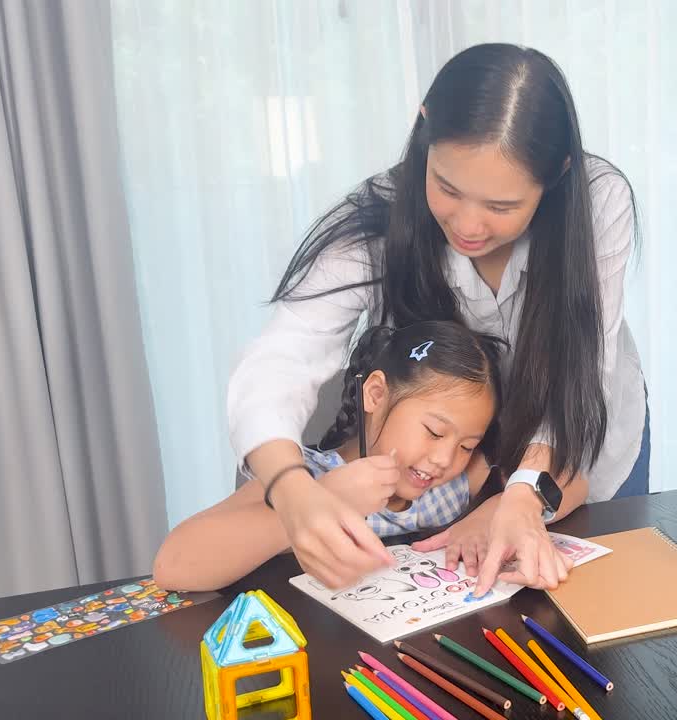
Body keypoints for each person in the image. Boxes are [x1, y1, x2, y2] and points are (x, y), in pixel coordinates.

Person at [227, 44, 647, 592]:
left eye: (501, 207)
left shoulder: (596, 202)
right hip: (461, 461)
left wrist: (522, 494)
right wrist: (292, 489)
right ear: (423, 128)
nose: (468, 224)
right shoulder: (377, 217)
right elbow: (282, 358)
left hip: (573, 437)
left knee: (597, 606)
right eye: (447, 188)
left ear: (558, 175)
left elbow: (579, 372)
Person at [153, 321, 553, 591]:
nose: (445, 458)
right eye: (433, 431)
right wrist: (321, 504)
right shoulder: (307, 477)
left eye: (466, 445)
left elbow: (575, 481)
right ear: (375, 394)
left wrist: (501, 506)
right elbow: (173, 564)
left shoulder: (454, 482)